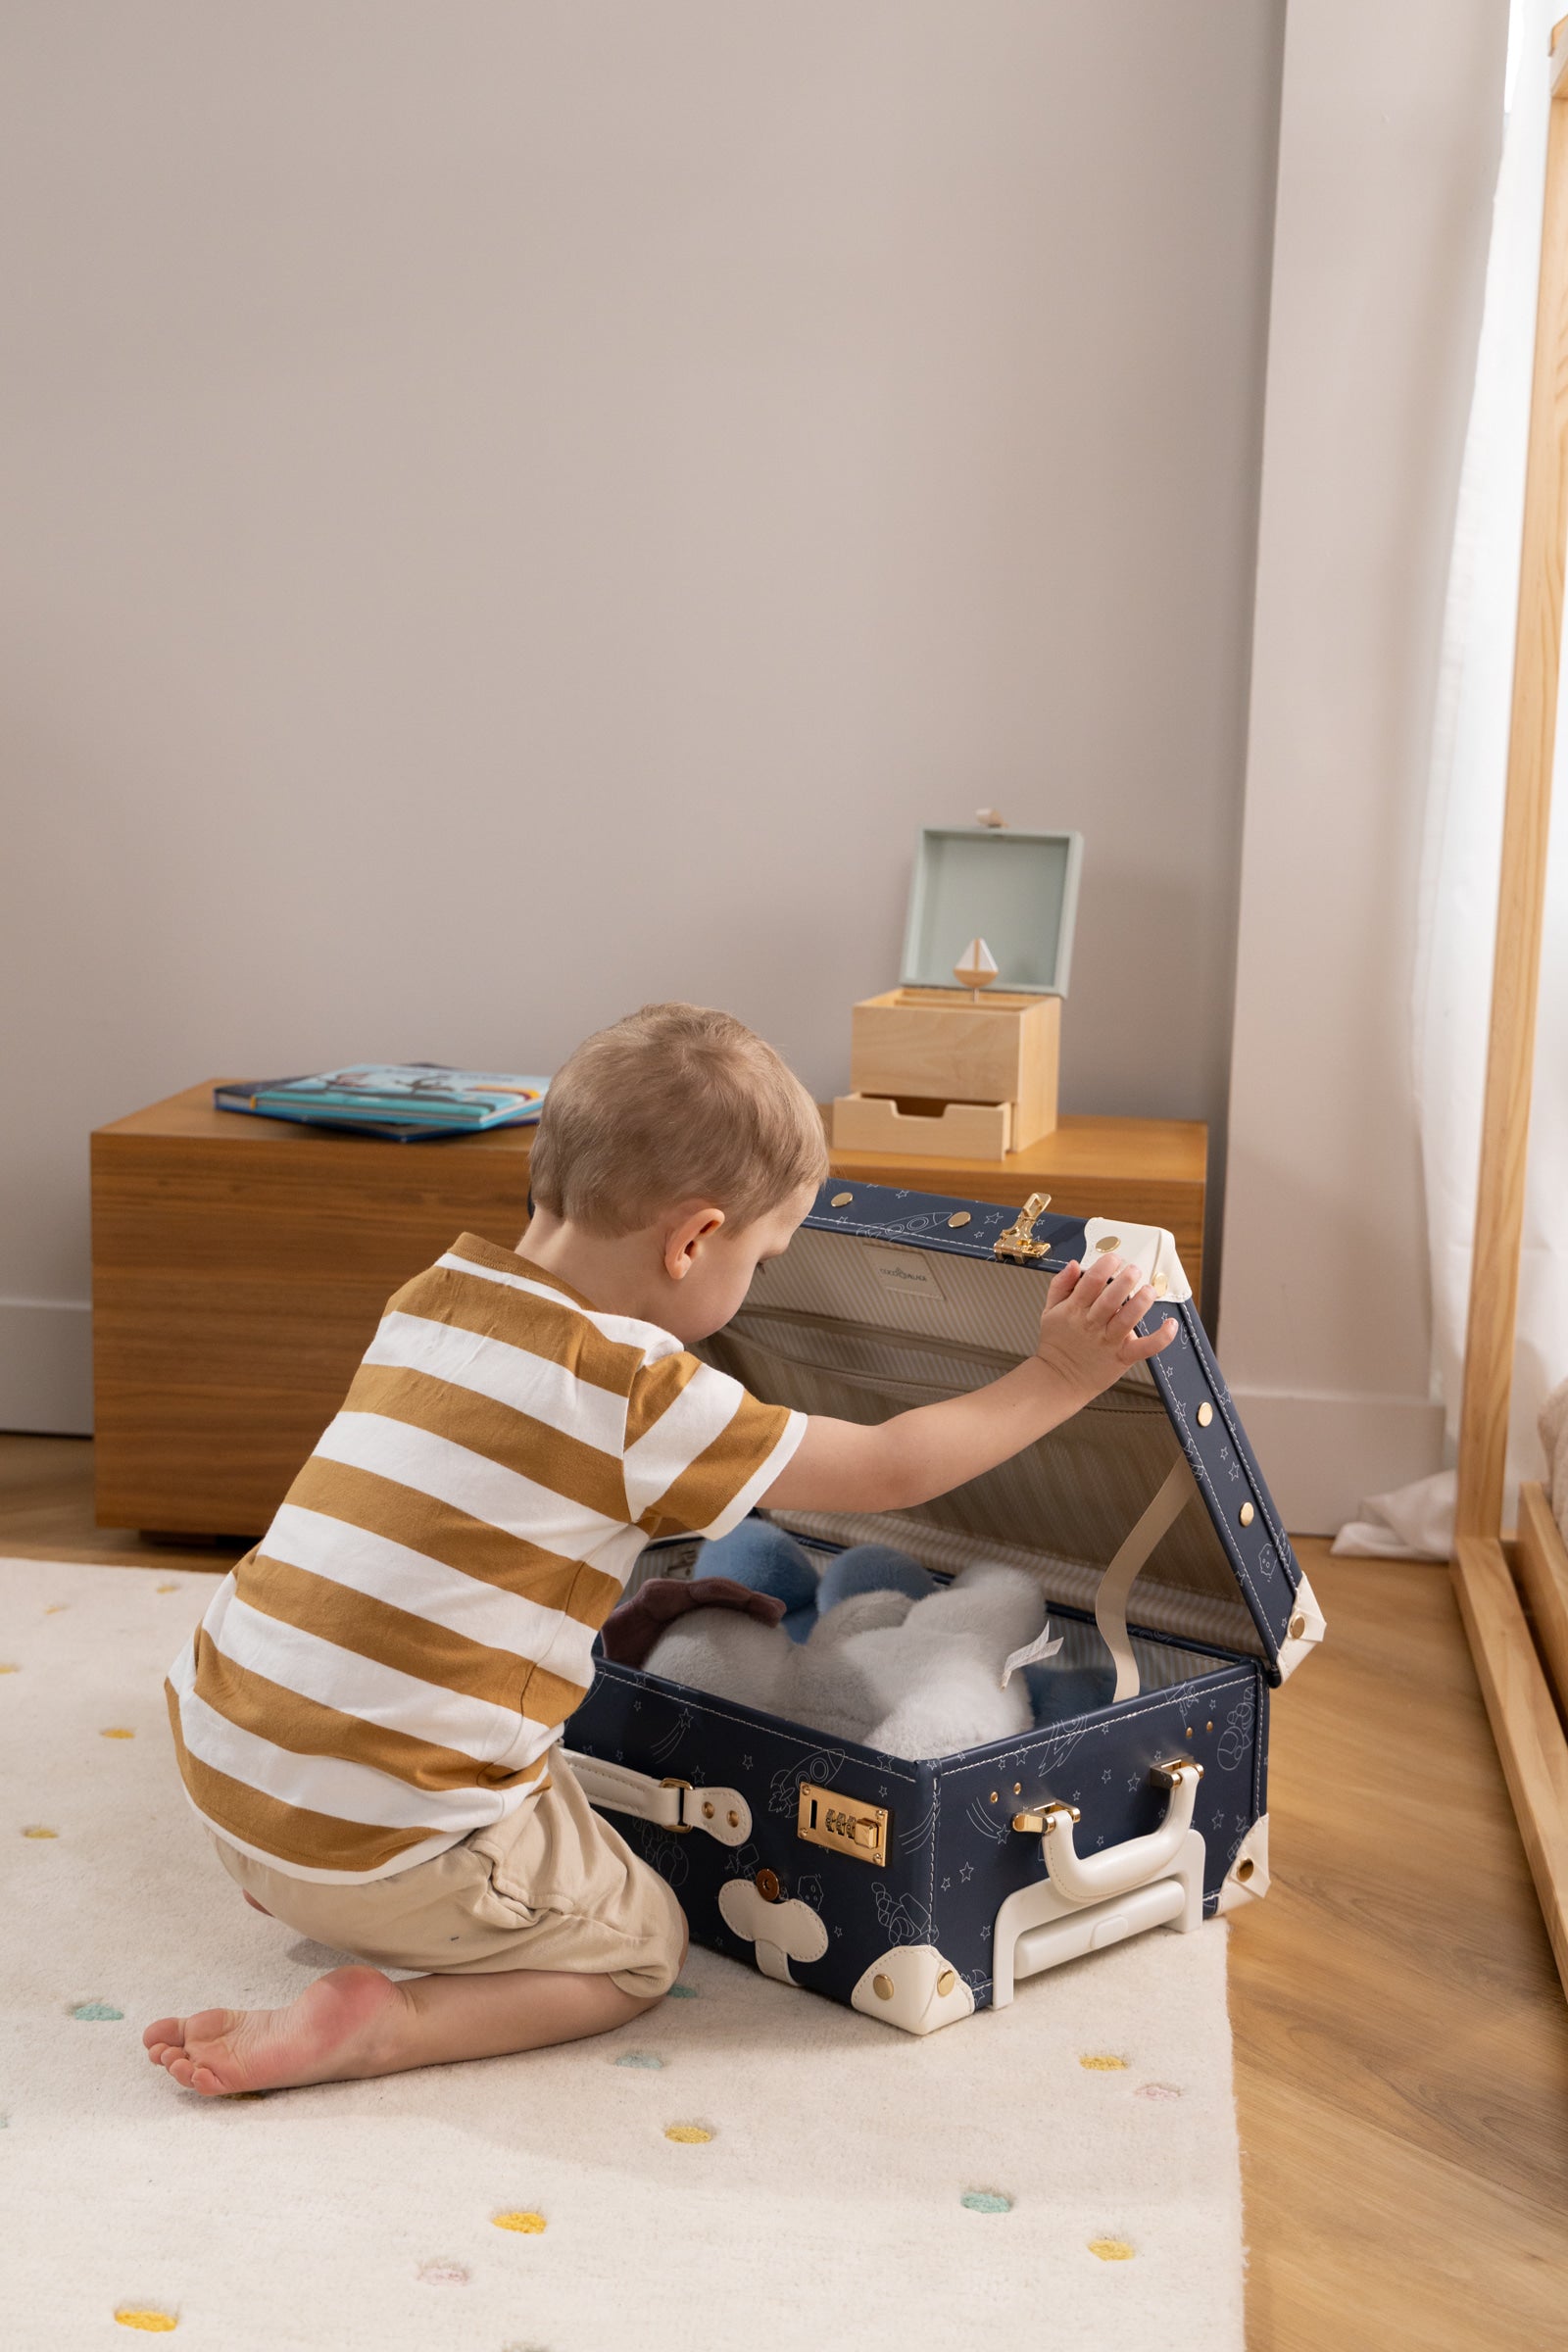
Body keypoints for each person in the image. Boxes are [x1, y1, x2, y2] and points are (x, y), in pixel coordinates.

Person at [145, 1002, 1176, 2097]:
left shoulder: (432, 1299)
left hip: (225, 1777)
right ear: (692, 1241)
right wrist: (1062, 1372)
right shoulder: (636, 1390)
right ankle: (384, 2021)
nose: (756, 1283)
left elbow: (443, 1547)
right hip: (373, 1838)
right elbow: (891, 1468)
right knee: (637, 1947)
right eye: (762, 1259)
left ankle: (318, 1884)